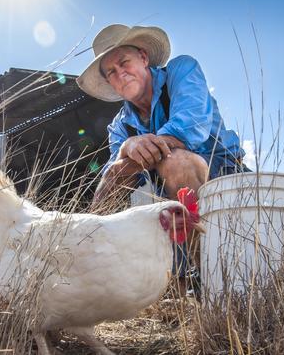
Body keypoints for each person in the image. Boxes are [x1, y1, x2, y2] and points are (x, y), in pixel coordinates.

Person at [77, 24, 247, 295]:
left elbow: (190, 126)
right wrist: (127, 147)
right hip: (172, 199)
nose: (121, 74)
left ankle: (216, 284)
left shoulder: (181, 71)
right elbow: (112, 177)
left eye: (124, 63)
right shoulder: (120, 126)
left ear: (144, 57)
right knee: (126, 185)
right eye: (112, 72)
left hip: (224, 176)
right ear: (110, 82)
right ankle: (84, 263)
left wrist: (141, 150)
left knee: (176, 164)